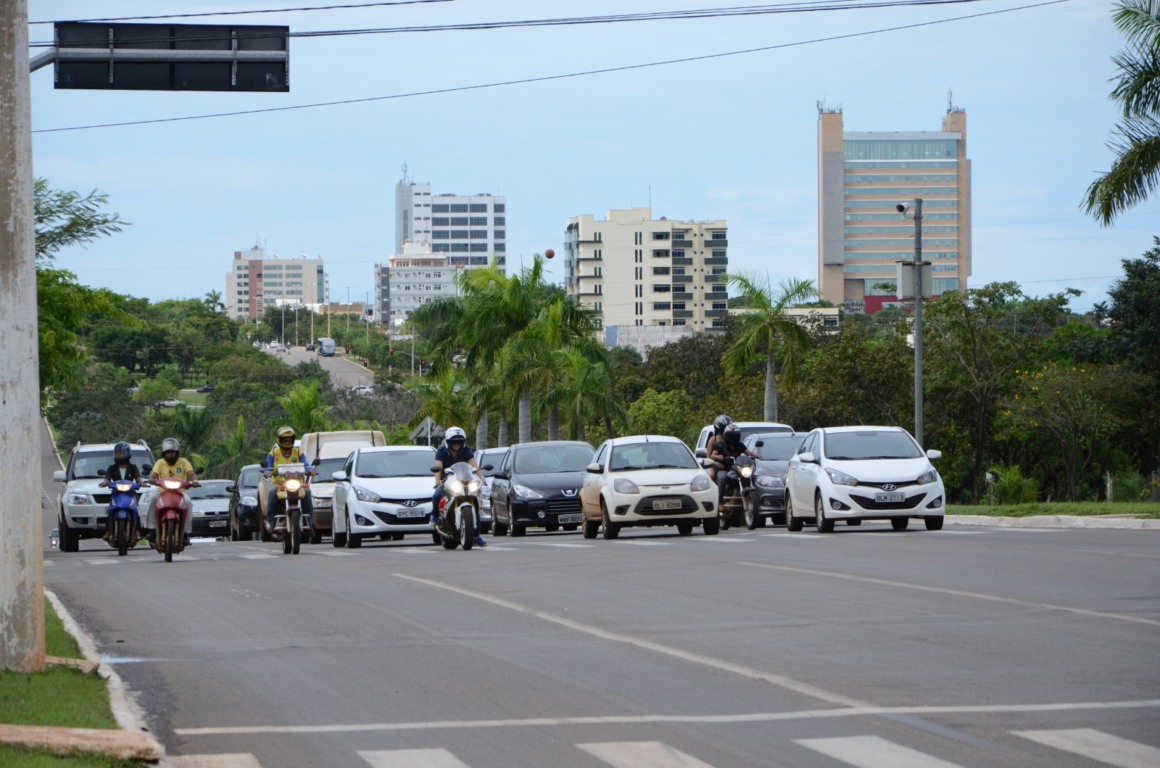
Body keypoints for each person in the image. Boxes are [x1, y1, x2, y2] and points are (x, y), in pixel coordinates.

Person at [430, 426, 486, 547]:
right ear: (448, 442)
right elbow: (438, 468)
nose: (456, 444)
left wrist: (482, 477)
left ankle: (477, 535)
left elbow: (474, 466)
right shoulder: (441, 452)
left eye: (459, 441)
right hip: (448, 481)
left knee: (476, 502)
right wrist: (438, 480)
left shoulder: (466, 451)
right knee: (436, 495)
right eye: (453, 441)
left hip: (465, 481)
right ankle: (434, 515)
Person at [262, 425, 316, 532]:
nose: (287, 442)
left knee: (308, 492)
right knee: (272, 492)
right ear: (279, 440)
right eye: (285, 440)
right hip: (280, 485)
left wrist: (311, 470)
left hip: (297, 484)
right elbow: (267, 467)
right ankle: (272, 523)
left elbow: (306, 464)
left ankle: (309, 523)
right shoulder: (273, 453)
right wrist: (267, 472)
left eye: (290, 440)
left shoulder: (298, 452)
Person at [147, 437, 199, 545]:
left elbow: (191, 473)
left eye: (172, 452)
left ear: (177, 452)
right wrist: (151, 479)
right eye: (167, 452)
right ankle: (152, 528)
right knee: (152, 498)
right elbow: (153, 474)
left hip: (181, 492)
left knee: (188, 503)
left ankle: (186, 532)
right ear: (163, 453)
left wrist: (194, 481)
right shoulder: (159, 463)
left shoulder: (183, 462)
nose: (170, 454)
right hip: (162, 491)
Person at [98, 441, 143, 542]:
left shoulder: (133, 467)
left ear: (127, 453)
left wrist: (142, 483)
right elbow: (107, 478)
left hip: (130, 493)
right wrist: (104, 482)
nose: (118, 455)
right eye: (117, 453)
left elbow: (138, 478)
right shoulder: (112, 468)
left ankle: (136, 531)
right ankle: (108, 531)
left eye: (121, 453)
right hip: (116, 493)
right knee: (111, 511)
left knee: (135, 510)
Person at [707, 423, 761, 505]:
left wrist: (754, 455)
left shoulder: (739, 445)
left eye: (736, 435)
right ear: (727, 436)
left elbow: (748, 453)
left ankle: (757, 499)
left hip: (736, 469)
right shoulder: (721, 444)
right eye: (732, 436)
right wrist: (719, 457)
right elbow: (712, 455)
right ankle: (720, 502)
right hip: (724, 468)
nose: (734, 438)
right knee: (722, 478)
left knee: (751, 476)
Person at [705, 414, 733, 485]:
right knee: (711, 474)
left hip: (727, 463)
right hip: (714, 464)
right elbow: (708, 457)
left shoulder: (730, 439)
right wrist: (715, 463)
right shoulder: (713, 439)